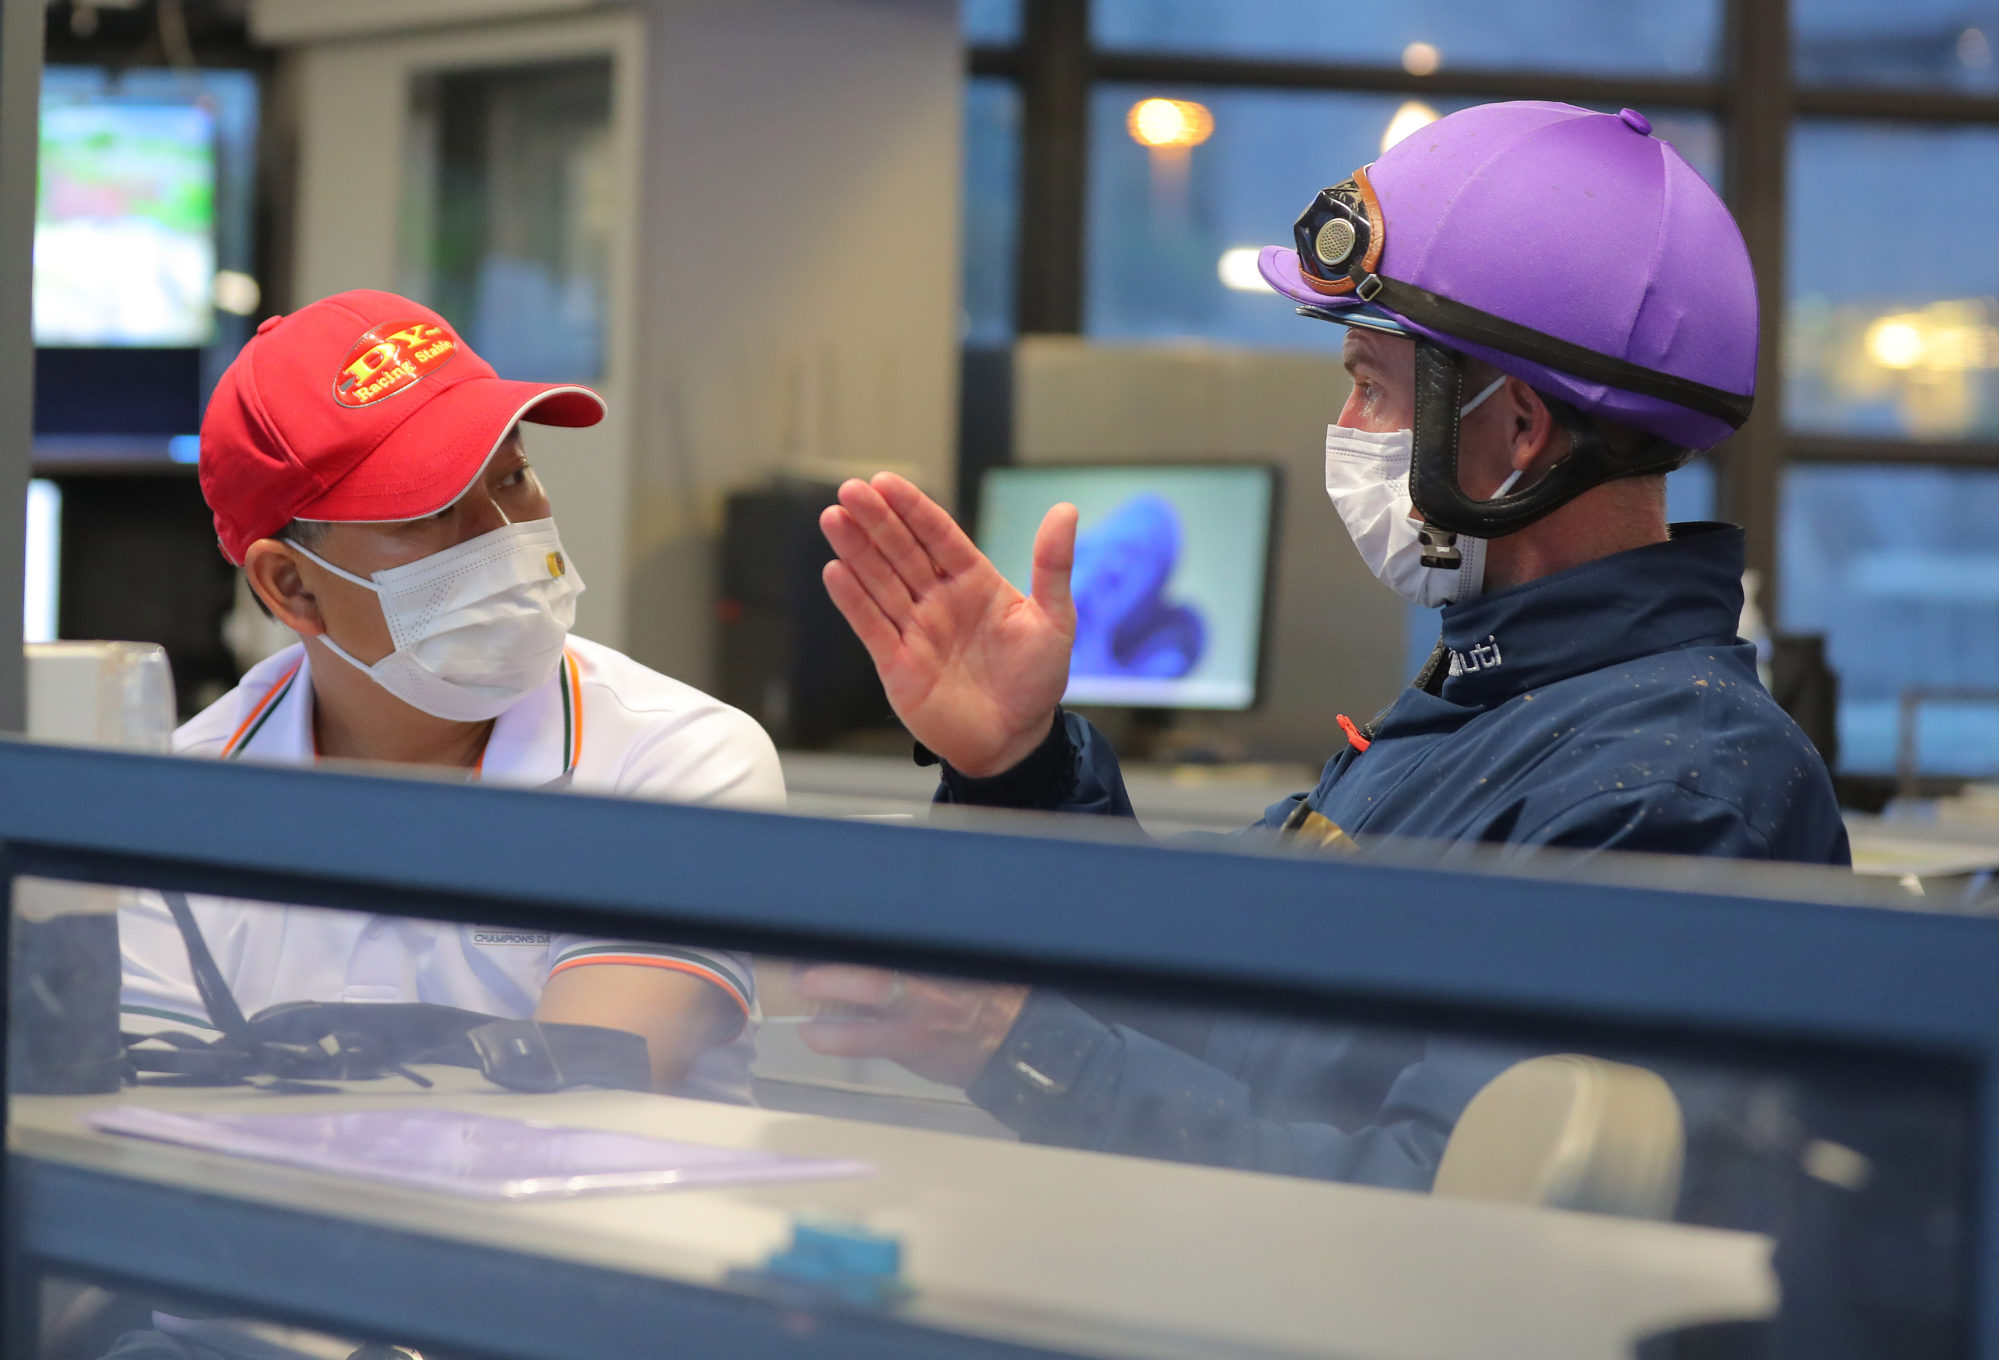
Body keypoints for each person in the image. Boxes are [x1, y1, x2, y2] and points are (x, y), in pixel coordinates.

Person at [794, 101, 1849, 1182]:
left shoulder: (1671, 787)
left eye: (1369, 385)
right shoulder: (1495, 706)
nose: (1347, 430)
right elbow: (1213, 992)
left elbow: (1438, 1216)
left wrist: (1016, 1045)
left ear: (1520, 428)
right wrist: (1019, 764)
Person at [118, 289, 784, 1101]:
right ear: (292, 586)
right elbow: (150, 1099)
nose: (506, 534)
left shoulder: (673, 756)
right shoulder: (176, 795)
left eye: (513, 475)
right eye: (430, 510)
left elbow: (584, 1079)